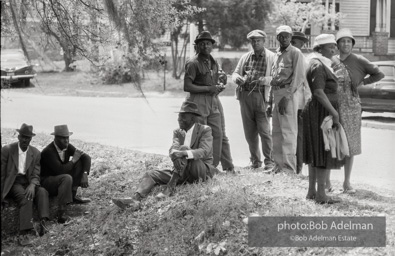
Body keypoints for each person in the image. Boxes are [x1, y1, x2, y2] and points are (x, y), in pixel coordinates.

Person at [112, 101, 218, 209]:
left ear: (193, 119)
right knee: (151, 174)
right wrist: (176, 154)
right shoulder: (177, 132)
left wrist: (183, 153)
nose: (179, 120)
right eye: (179, 117)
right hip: (182, 171)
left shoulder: (205, 130)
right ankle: (135, 200)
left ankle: (170, 187)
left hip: (201, 171)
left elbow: (204, 151)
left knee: (184, 149)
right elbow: (173, 149)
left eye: (183, 117)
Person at [326, 28, 385, 193]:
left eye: (348, 41)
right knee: (331, 142)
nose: (345, 44)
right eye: (342, 41)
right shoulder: (331, 60)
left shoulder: (359, 60)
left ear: (352, 44)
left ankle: (346, 182)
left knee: (350, 144)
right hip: (333, 105)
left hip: (352, 107)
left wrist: (363, 83)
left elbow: (379, 74)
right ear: (337, 44)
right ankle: (327, 182)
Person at [184, 30, 234, 173]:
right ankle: (198, 168)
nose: (205, 46)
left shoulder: (213, 63)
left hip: (213, 101)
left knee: (217, 133)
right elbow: (187, 86)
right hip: (198, 102)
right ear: (197, 47)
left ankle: (212, 166)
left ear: (212, 46)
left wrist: (220, 85)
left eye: (208, 43)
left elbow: (214, 84)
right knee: (199, 135)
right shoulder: (193, 63)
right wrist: (208, 88)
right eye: (202, 44)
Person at [303, 34, 343, 204]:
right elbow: (319, 92)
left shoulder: (321, 63)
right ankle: (320, 194)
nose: (334, 49)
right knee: (321, 150)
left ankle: (312, 191)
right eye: (330, 47)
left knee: (316, 151)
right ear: (319, 49)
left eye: (334, 46)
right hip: (321, 112)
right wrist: (334, 113)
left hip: (319, 110)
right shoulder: (318, 65)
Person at [231, 29, 275, 170]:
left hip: (262, 96)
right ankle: (255, 161)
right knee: (249, 131)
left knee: (264, 131)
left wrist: (265, 80)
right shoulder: (246, 57)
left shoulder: (272, 57)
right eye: (253, 41)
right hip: (245, 96)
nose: (256, 43)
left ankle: (269, 161)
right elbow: (235, 73)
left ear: (264, 41)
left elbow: (277, 78)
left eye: (258, 41)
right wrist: (236, 78)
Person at [1, 123, 49, 245]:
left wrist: (33, 185)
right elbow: (1, 174)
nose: (24, 140)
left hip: (28, 182)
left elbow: (36, 173)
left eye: (27, 138)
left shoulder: (36, 153)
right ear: (18, 137)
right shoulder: (7, 150)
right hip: (14, 182)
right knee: (26, 197)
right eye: (23, 137)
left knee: (42, 192)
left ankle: (44, 224)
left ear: (31, 139)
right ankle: (24, 233)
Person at [270, 25, 306, 174]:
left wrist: (287, 96)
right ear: (277, 38)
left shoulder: (295, 53)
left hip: (288, 94)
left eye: (287, 36)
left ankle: (289, 169)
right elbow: (274, 78)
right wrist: (270, 100)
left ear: (291, 37)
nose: (284, 38)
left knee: (289, 133)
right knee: (276, 131)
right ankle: (278, 166)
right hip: (276, 93)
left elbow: (298, 78)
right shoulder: (276, 54)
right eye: (281, 36)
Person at [40, 125, 91, 223]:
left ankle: (72, 195)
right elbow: (61, 170)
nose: (66, 141)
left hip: (61, 179)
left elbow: (86, 157)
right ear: (56, 138)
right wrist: (73, 160)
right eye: (63, 138)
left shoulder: (67, 146)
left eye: (67, 138)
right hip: (47, 182)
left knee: (79, 162)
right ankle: (61, 213)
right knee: (67, 176)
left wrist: (85, 174)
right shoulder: (48, 151)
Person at [291, 31, 312, 175]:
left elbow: (307, 86)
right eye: (291, 42)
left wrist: (306, 106)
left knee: (298, 136)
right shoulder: (285, 57)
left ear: (302, 44)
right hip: (287, 104)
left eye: (295, 42)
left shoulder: (303, 60)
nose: (292, 45)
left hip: (299, 105)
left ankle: (297, 167)